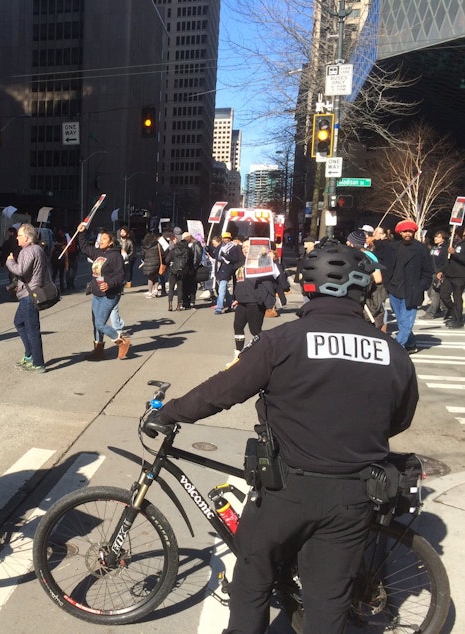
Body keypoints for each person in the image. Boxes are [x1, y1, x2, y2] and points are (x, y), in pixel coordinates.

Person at [151, 241, 417, 634]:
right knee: (328, 602)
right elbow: (400, 419)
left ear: (308, 287)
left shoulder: (284, 342)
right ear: (360, 289)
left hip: (287, 489)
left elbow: (221, 392)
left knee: (253, 576)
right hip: (355, 494)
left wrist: (168, 412)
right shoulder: (393, 353)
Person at [77, 223, 131, 361]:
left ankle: (121, 341)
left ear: (111, 242)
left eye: (104, 239)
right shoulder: (98, 252)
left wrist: (109, 284)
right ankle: (98, 351)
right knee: (96, 323)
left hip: (110, 295)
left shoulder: (115, 256)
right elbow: (84, 247)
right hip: (96, 294)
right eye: (100, 239)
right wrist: (82, 233)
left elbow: (121, 276)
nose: (100, 241)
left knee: (100, 323)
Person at [382, 220, 432, 353]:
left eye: (410, 231)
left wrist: (421, 286)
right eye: (405, 231)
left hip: (412, 290)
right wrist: (387, 283)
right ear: (400, 232)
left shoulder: (421, 249)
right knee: (401, 321)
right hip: (394, 289)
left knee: (407, 321)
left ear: (414, 232)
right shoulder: (393, 247)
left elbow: (428, 271)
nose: (407, 233)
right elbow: (386, 265)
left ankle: (397, 348)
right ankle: (411, 344)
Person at [5, 224, 49, 372]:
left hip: (29, 295)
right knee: (19, 322)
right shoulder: (37, 249)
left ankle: (38, 363)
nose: (17, 237)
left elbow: (21, 270)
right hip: (30, 291)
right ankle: (30, 355)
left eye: (19, 235)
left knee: (32, 329)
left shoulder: (28, 250)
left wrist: (10, 261)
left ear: (26, 237)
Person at [230, 240, 276, 357]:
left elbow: (274, 275)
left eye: (247, 247)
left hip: (255, 301)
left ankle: (266, 351)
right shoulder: (241, 263)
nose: (245, 249)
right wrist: (236, 298)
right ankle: (238, 353)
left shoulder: (261, 261)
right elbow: (239, 283)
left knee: (255, 330)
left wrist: (271, 259)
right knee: (238, 327)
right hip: (241, 301)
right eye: (243, 247)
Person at [440, 226, 465, 329]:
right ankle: (453, 311)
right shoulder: (454, 242)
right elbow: (448, 259)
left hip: (460, 275)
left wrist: (455, 253)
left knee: (457, 297)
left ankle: (458, 319)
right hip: (449, 274)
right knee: (444, 294)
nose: (455, 233)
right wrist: (442, 270)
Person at [211, 232, 245, 314]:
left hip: (226, 270)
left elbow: (235, 259)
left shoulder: (234, 248)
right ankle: (231, 304)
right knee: (224, 290)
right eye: (225, 238)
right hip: (218, 270)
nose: (226, 239)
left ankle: (219, 308)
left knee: (221, 289)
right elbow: (215, 256)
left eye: (228, 238)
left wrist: (226, 256)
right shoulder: (220, 247)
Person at [164, 227, 193, 311]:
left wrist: (171, 263)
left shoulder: (174, 250)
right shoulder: (187, 250)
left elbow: (167, 260)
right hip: (182, 271)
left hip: (173, 270)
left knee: (171, 288)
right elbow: (190, 261)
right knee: (180, 288)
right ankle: (179, 305)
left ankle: (170, 304)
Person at [140, 232, 163, 298]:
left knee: (150, 278)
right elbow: (161, 253)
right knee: (156, 276)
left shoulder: (144, 246)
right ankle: (155, 290)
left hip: (147, 263)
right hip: (156, 262)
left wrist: (143, 260)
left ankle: (150, 292)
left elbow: (142, 255)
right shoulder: (157, 245)